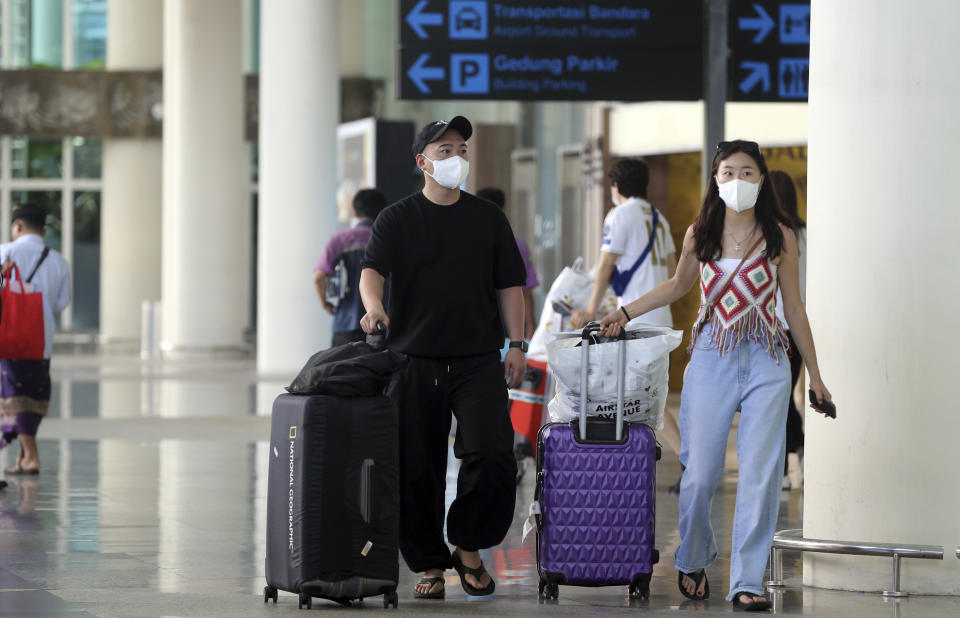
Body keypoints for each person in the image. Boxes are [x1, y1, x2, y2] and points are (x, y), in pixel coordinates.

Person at [598, 140, 833, 611]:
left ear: (762, 180)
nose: (738, 181)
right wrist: (626, 312)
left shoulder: (781, 235)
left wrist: (816, 376)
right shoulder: (699, 232)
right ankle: (693, 554)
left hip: (768, 357)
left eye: (748, 173)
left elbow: (795, 309)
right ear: (716, 179)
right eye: (728, 172)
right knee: (701, 473)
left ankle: (746, 581)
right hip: (711, 355)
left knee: (762, 476)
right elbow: (678, 285)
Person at [358, 116, 527, 600]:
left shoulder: (488, 219)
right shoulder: (397, 218)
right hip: (412, 360)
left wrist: (516, 344)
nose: (456, 157)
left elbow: (509, 285)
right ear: (423, 162)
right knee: (416, 466)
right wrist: (376, 309)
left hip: (477, 359)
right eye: (445, 149)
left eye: (461, 148)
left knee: (493, 454)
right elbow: (373, 271)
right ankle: (430, 563)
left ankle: (468, 546)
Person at [568, 158, 684, 493]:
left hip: (635, 323)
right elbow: (673, 271)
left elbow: (605, 265)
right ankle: (663, 459)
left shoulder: (619, 215)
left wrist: (591, 308)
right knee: (647, 397)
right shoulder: (658, 218)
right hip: (659, 317)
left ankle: (685, 459)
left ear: (614, 185)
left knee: (637, 399)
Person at [0, 203, 71, 476]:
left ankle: (31, 456)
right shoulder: (58, 261)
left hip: (9, 335)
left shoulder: (5, 252)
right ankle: (22, 455)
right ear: (42, 230)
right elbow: (62, 303)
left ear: (17, 226)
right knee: (36, 395)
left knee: (14, 394)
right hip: (42, 339)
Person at [314, 188, 388, 347]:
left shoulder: (340, 239)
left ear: (354, 212)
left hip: (346, 324)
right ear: (384, 211)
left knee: (343, 371)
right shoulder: (389, 239)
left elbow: (319, 277)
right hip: (384, 323)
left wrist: (325, 304)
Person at [770, 170, 806, 489]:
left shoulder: (775, 236)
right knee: (783, 398)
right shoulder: (805, 234)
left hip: (779, 328)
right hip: (801, 326)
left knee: (779, 401)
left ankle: (783, 468)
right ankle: (800, 450)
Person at [476, 187, 539, 338]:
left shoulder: (472, 244)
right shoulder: (518, 245)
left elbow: (525, 289)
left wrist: (530, 327)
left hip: (491, 320)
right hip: (510, 318)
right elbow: (526, 290)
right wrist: (530, 326)